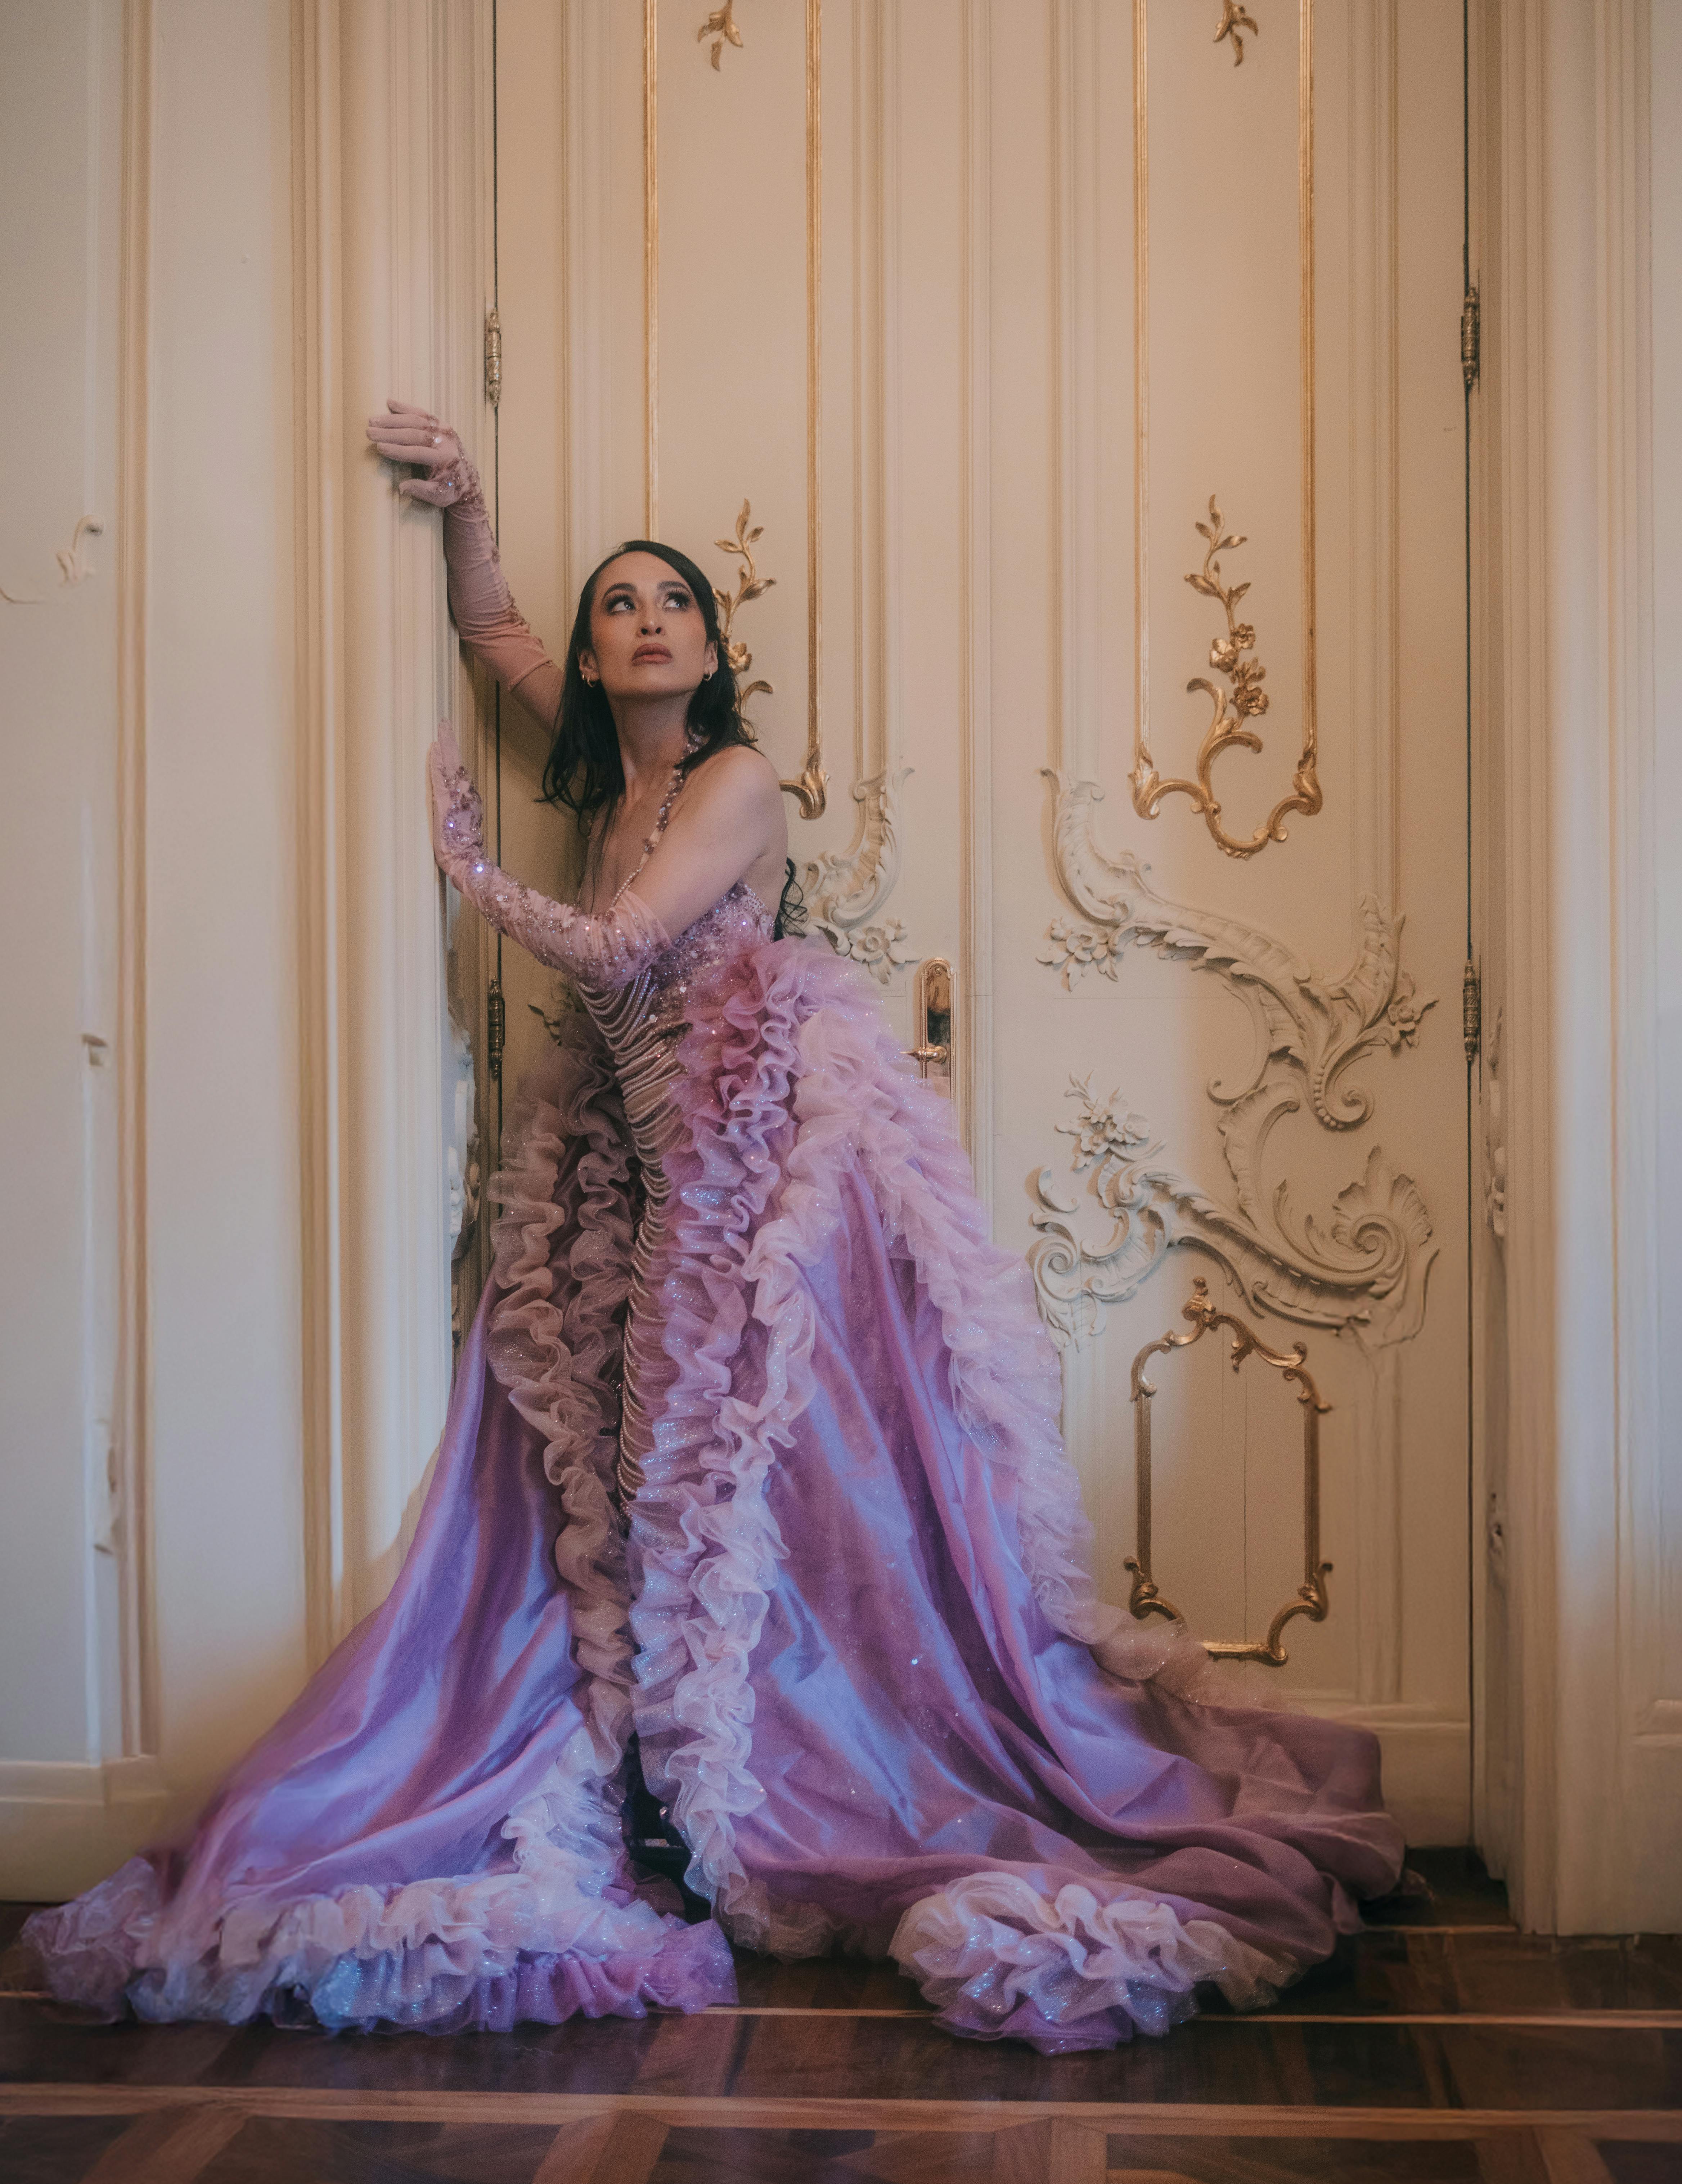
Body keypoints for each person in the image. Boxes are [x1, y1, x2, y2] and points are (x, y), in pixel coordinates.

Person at [21, 405, 1404, 2053]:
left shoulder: (736, 781)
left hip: (758, 1197)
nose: (646, 620)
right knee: (620, 1502)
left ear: (712, 643)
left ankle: (757, 1799)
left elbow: (614, 955)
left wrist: (472, 872)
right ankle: (658, 1793)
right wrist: (465, 500)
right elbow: (493, 629)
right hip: (645, 1192)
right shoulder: (604, 769)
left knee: (763, 1521)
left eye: (673, 600)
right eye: (622, 604)